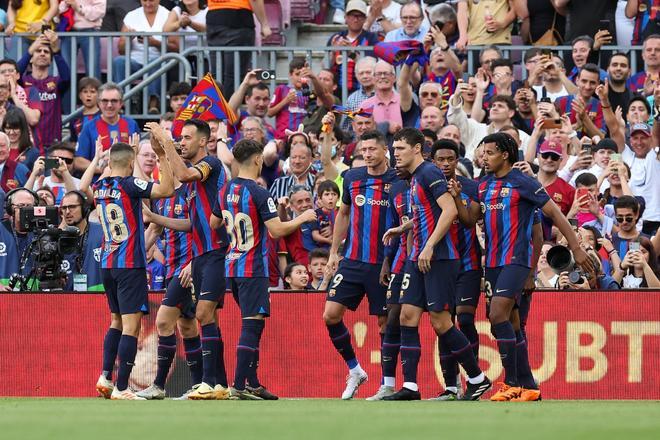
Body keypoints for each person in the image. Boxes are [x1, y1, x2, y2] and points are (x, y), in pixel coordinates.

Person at [454, 131, 593, 401]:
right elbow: (470, 220)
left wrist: (575, 246)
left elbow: (554, 213)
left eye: (490, 153)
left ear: (505, 155)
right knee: (510, 324)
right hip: (493, 262)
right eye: (483, 153)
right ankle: (529, 386)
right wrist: (460, 198)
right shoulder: (482, 185)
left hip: (516, 260)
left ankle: (512, 384)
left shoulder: (524, 183)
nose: (484, 157)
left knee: (497, 316)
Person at [379, 128, 489, 401]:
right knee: (406, 315)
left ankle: (478, 379)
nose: (396, 155)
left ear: (417, 149)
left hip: (438, 257)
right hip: (419, 256)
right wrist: (404, 227)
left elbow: (450, 210)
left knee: (441, 323)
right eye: (394, 150)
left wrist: (428, 245)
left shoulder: (428, 172)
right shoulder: (416, 177)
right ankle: (411, 388)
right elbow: (427, 212)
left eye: (400, 149)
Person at [210, 138, 316, 399]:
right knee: (252, 325)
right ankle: (238, 384)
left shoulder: (224, 190)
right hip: (253, 268)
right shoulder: (258, 192)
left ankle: (253, 382)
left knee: (251, 324)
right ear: (258, 160)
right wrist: (302, 217)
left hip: (231, 267)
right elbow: (277, 230)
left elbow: (214, 223)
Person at [143, 120, 231, 400]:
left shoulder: (211, 166)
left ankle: (213, 383)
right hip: (198, 257)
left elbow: (182, 173)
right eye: (180, 137)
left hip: (216, 253)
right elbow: (192, 224)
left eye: (187, 137)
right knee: (165, 320)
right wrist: (156, 219)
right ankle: (164, 386)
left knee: (205, 316)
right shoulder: (194, 186)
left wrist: (166, 141)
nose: (182, 142)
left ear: (203, 142)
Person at [92, 139, 174, 400]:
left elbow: (106, 175)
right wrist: (162, 157)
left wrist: (130, 155)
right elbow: (166, 190)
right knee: (131, 326)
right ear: (131, 163)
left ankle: (106, 377)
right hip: (129, 264)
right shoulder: (129, 185)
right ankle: (123, 388)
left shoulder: (98, 187)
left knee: (116, 321)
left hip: (107, 262)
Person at [323, 129, 398, 400]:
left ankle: (387, 384)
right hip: (353, 260)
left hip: (383, 263)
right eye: (363, 150)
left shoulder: (397, 179)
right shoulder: (352, 178)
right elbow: (343, 214)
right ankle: (355, 370)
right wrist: (334, 252)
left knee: (384, 323)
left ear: (384, 150)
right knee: (330, 315)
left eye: (371, 150)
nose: (366, 155)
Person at [137, 180, 202, 400]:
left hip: (187, 269)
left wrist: (194, 264)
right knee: (188, 327)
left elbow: (202, 229)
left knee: (163, 321)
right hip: (172, 268)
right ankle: (200, 385)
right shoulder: (163, 195)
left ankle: (158, 385)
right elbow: (155, 228)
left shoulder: (191, 192)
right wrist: (132, 260)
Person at [431, 139, 483, 400]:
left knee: (464, 318)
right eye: (440, 159)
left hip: (469, 263)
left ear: (457, 160)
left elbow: (468, 221)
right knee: (444, 323)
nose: (445, 164)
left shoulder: (472, 188)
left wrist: (456, 197)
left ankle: (475, 380)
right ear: (433, 161)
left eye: (450, 159)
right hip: (441, 265)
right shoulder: (428, 188)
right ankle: (452, 386)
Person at [113, 0, 175, 113]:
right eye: (144, 0)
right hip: (135, 61)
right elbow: (121, 50)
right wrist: (128, 38)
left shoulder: (168, 15)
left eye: (151, 0)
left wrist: (154, 42)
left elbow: (175, 47)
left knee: (157, 62)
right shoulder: (131, 16)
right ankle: (120, 102)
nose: (148, 3)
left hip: (158, 60)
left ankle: (153, 103)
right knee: (119, 62)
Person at [17, 30, 70, 151]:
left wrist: (56, 51)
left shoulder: (56, 82)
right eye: (38, 51)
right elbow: (15, 73)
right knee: (31, 171)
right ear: (31, 58)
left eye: (46, 52)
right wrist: (30, 50)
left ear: (51, 61)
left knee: (52, 170)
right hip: (29, 146)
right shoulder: (23, 82)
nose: (42, 53)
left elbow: (66, 77)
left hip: (52, 146)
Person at [205, 0, 271, 98]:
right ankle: (228, 110)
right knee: (234, 76)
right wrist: (264, 24)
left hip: (213, 19)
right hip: (238, 19)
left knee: (217, 74)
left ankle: (217, 109)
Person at [74, 83, 141, 174]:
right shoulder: (89, 127)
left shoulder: (131, 124)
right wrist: (102, 170)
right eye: (105, 101)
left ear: (121, 103)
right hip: (98, 184)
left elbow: (139, 155)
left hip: (128, 182)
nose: (109, 105)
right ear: (99, 103)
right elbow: (78, 161)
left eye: (114, 101)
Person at [327, 0, 379, 96]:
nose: (355, 19)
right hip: (336, 90)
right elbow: (325, 65)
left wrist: (352, 53)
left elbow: (373, 66)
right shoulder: (336, 37)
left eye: (359, 16)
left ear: (365, 19)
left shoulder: (371, 38)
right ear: (345, 18)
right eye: (352, 15)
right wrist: (333, 51)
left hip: (363, 91)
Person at [60, 190, 104, 291]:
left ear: (84, 208)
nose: (67, 212)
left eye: (72, 207)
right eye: (64, 208)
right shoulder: (59, 239)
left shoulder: (103, 232)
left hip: (98, 299)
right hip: (67, 300)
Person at [0, 187, 39, 289]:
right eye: (21, 206)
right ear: (10, 208)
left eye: (29, 206)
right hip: (4, 298)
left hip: (36, 300)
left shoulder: (41, 234)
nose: (25, 210)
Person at [555, 64, 606, 139]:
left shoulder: (600, 106)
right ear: (577, 80)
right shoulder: (560, 101)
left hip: (590, 150)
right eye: (584, 81)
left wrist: (584, 117)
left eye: (592, 82)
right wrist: (576, 125)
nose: (587, 86)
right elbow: (552, 131)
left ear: (598, 84)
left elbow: (601, 138)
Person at [59, 0, 106, 79]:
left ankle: (94, 91)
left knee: (92, 70)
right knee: (65, 70)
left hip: (90, 31)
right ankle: (67, 92)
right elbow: (58, 13)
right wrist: (64, 5)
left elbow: (99, 12)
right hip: (68, 30)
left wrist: (79, 8)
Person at [361, 61, 402, 136]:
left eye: (386, 73)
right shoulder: (366, 105)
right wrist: (385, 126)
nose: (382, 77)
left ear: (394, 78)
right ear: (373, 79)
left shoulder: (403, 101)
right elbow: (363, 131)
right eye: (378, 74)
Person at [68, 77, 102, 144]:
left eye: (92, 92)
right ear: (80, 95)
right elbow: (73, 141)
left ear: (99, 95)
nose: (88, 95)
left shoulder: (104, 116)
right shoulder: (75, 119)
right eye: (85, 92)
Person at [311, 180, 339, 250]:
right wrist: (328, 241)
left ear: (338, 198)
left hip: (341, 248)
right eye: (327, 194)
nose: (330, 197)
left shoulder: (343, 212)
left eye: (334, 194)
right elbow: (315, 235)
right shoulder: (315, 214)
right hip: (323, 250)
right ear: (320, 198)